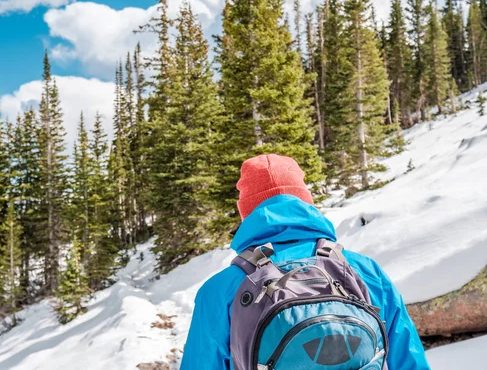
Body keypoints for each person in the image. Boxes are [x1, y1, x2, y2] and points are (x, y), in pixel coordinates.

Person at [180, 154, 430, 369]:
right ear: (305, 202)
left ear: (246, 212)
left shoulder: (221, 289)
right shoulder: (364, 272)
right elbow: (409, 360)